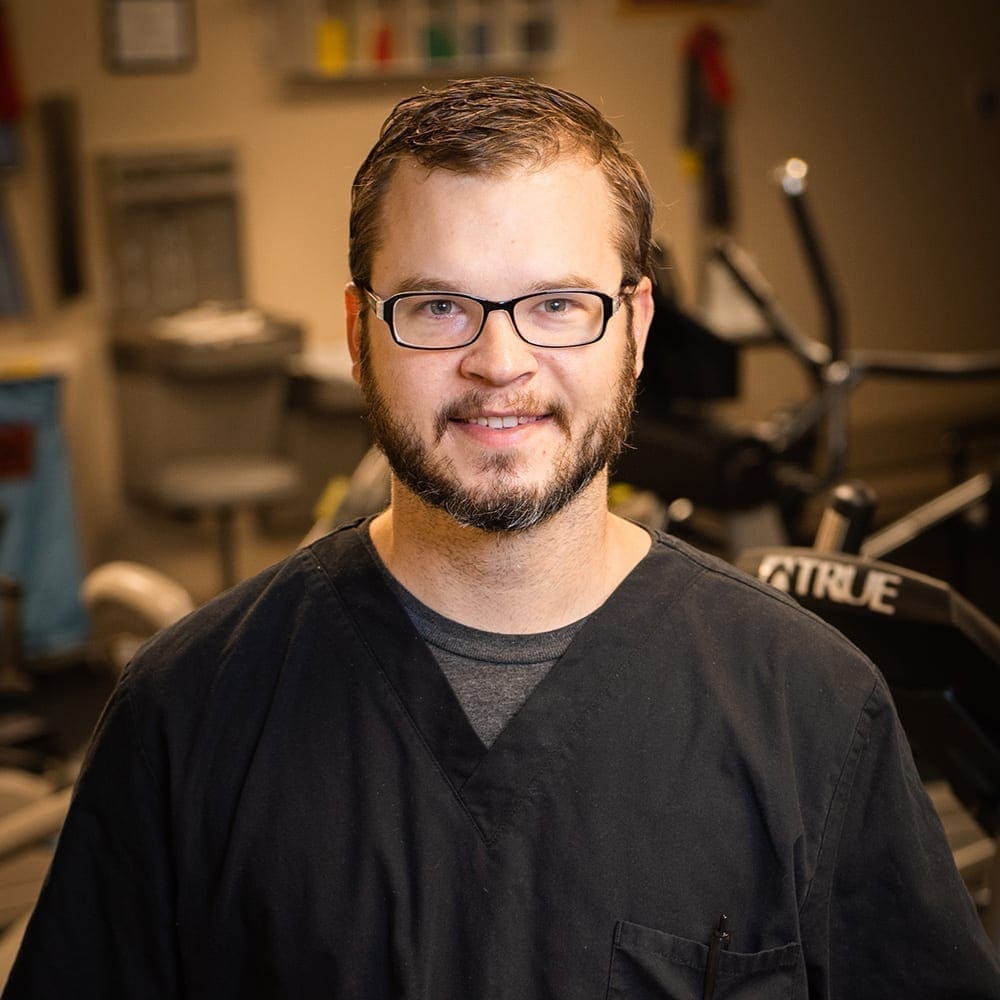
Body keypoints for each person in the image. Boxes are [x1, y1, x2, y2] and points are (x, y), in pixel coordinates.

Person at [4, 77, 998, 999]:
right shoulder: (189, 716)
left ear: (635, 326)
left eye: (557, 304)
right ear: (358, 334)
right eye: (438, 306)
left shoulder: (810, 709)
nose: (499, 362)